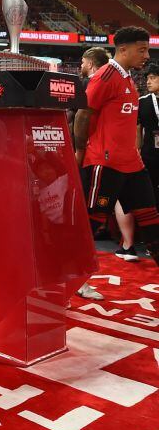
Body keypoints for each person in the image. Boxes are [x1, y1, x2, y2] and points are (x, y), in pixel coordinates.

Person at [74, 27, 159, 299]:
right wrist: (80, 152)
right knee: (91, 223)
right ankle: (77, 280)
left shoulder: (128, 78)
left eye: (147, 49)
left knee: (151, 220)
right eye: (141, 49)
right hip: (105, 162)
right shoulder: (105, 76)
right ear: (123, 49)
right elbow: (82, 116)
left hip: (132, 164)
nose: (146, 55)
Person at [138, 63, 159, 209]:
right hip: (149, 153)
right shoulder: (142, 102)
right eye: (147, 78)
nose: (148, 81)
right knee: (150, 186)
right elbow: (137, 128)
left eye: (152, 78)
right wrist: (136, 150)